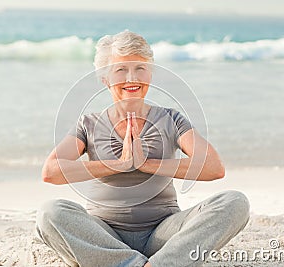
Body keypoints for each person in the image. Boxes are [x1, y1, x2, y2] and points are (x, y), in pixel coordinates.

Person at [35, 30, 250, 267]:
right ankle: (131, 263)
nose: (131, 78)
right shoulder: (89, 124)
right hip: (104, 236)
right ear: (105, 78)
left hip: (163, 234)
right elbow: (51, 171)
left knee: (234, 202)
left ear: (150, 74)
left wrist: (146, 164)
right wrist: (119, 164)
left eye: (140, 68)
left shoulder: (171, 119)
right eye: (120, 70)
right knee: (50, 212)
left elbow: (214, 167)